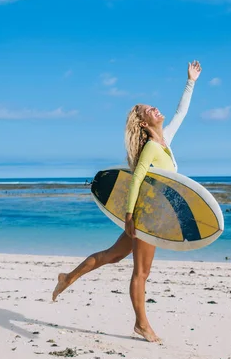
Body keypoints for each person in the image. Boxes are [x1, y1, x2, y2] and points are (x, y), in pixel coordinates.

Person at [52, 60, 202, 343]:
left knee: (113, 255)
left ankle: (67, 278)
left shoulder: (166, 140)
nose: (154, 108)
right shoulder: (150, 148)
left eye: (152, 105)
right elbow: (136, 179)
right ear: (144, 123)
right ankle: (141, 325)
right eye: (148, 110)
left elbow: (182, 112)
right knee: (141, 272)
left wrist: (190, 81)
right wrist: (131, 217)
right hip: (145, 217)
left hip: (149, 214)